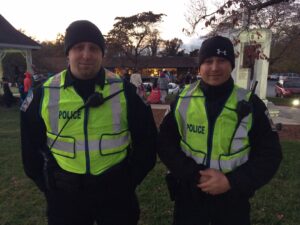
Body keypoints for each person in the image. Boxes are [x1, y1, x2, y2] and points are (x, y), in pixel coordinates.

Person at [20, 20, 157, 225]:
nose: (86, 54)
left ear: (102, 54)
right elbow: (30, 150)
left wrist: (127, 182)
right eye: (78, 48)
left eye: (93, 48)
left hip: (116, 197)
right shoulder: (43, 93)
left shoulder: (126, 91)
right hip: (66, 198)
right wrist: (49, 187)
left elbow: (147, 143)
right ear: (68, 53)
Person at [158, 35, 282, 225]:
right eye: (208, 61)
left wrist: (231, 181)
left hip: (233, 200)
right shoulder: (182, 99)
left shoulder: (250, 104)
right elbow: (165, 144)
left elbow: (270, 154)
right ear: (200, 67)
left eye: (222, 60)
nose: (215, 67)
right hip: (189, 196)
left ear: (231, 65)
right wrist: (193, 174)